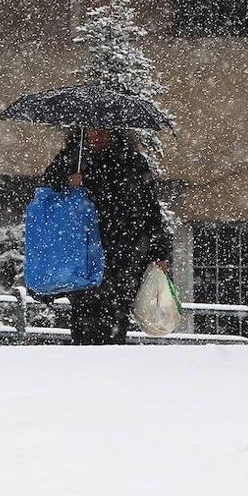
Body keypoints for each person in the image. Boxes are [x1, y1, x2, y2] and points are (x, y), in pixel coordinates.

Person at [41, 127, 172, 345]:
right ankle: (88, 358)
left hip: (121, 251)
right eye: (92, 131)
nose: (97, 136)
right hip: (83, 250)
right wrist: (67, 181)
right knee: (84, 312)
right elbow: (48, 184)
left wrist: (158, 252)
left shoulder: (132, 162)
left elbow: (150, 210)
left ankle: (108, 360)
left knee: (115, 312)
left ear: (115, 132)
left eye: (103, 131)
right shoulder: (73, 158)